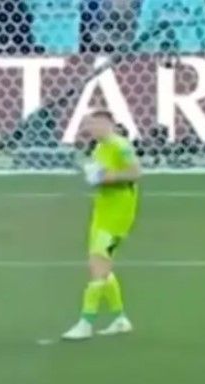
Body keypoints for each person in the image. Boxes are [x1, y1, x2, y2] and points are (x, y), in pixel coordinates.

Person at [62, 110, 140, 340]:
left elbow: (135, 172)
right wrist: (95, 177)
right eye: (89, 125)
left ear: (109, 124)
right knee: (102, 266)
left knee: (98, 266)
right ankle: (120, 319)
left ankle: (86, 323)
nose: (92, 129)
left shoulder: (120, 146)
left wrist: (106, 177)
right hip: (102, 213)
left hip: (117, 216)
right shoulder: (99, 148)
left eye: (95, 124)